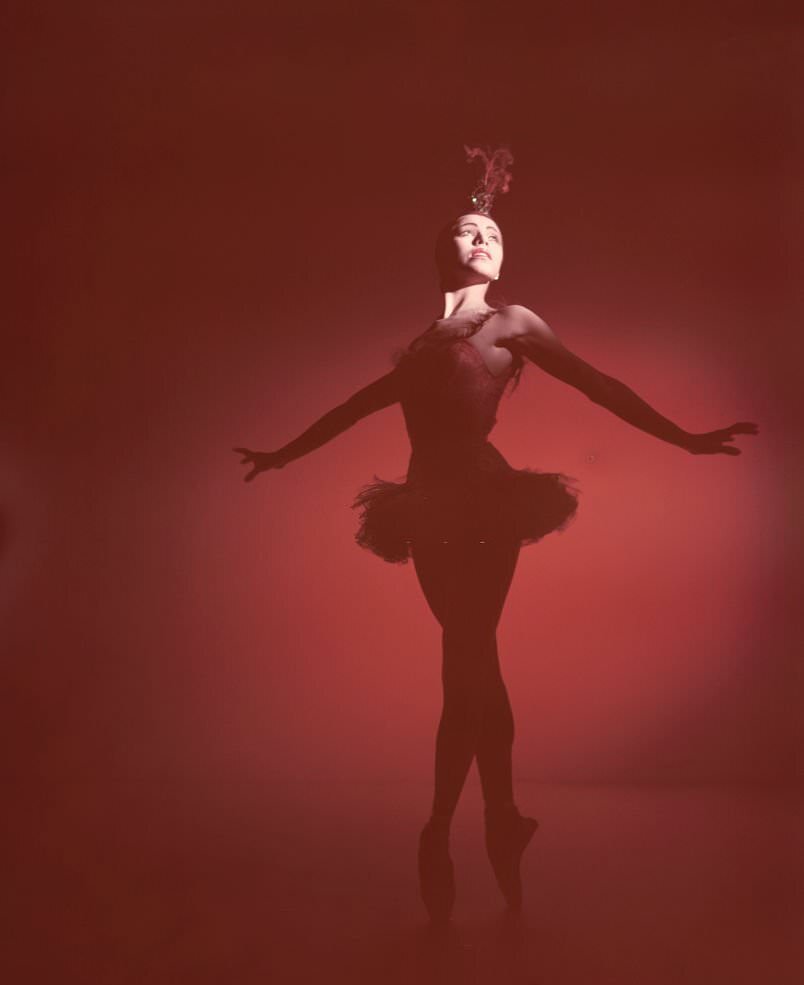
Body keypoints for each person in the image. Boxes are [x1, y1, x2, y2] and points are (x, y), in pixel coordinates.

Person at [234, 182, 758, 927]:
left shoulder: (513, 321)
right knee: (475, 664)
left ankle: (443, 828)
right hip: (422, 506)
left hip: (483, 504)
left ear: (504, 258)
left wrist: (687, 438)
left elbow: (597, 383)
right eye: (465, 229)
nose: (481, 238)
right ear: (437, 250)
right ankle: (500, 821)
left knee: (467, 657)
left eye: (493, 233)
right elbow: (357, 405)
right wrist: (282, 455)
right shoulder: (421, 345)